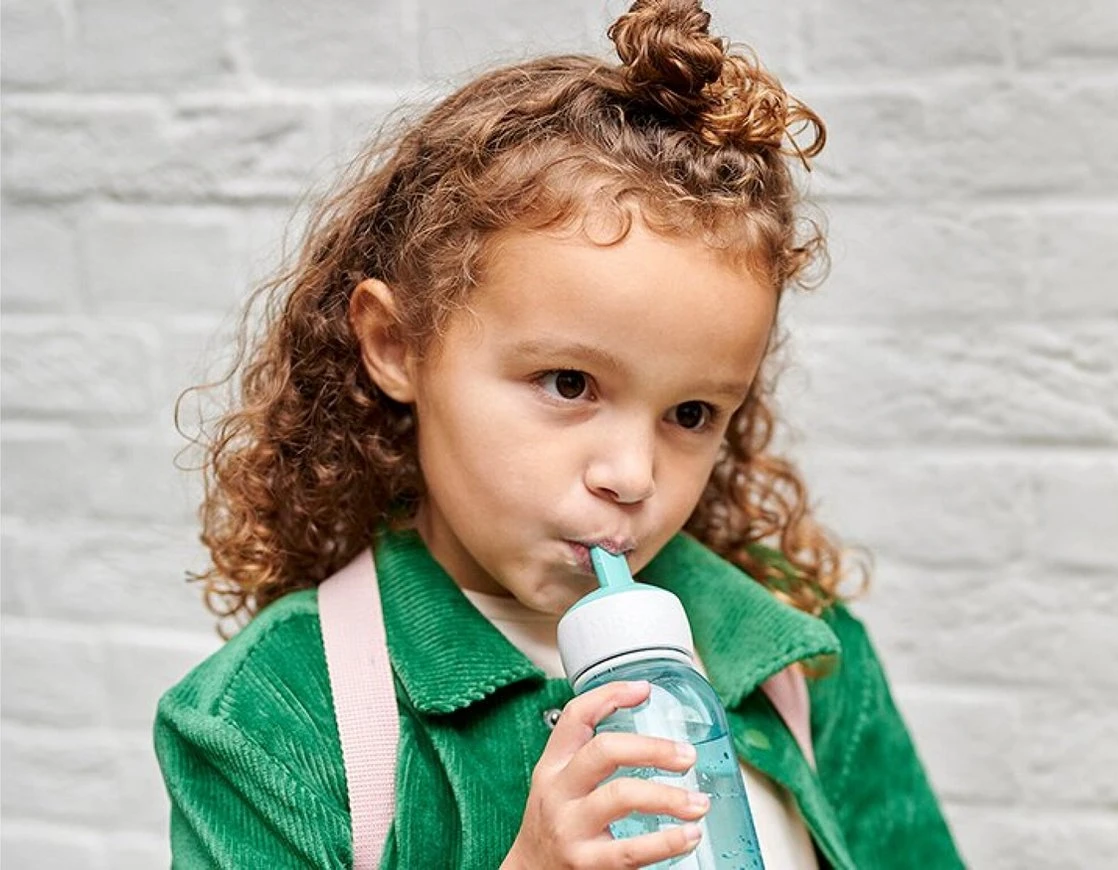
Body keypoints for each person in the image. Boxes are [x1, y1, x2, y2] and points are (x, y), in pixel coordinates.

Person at [154, 1, 966, 867]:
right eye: (569, 384)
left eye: (691, 414)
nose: (631, 474)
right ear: (397, 346)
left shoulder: (802, 656)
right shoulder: (266, 720)